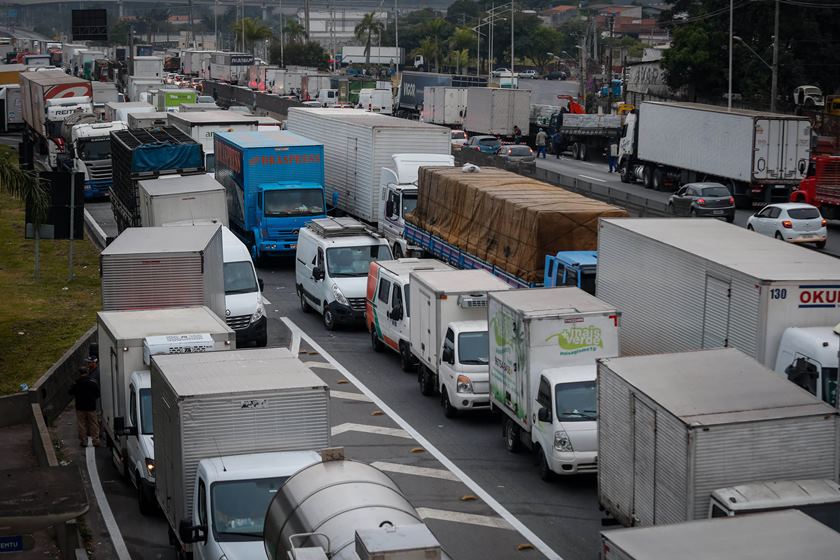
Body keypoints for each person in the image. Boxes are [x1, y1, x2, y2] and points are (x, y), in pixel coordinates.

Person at [69, 366, 100, 447]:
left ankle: (83, 440)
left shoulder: (76, 383)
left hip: (80, 407)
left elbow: (70, 392)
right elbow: (97, 394)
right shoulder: (92, 382)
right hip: (91, 407)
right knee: (93, 424)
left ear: (80, 373)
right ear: (87, 372)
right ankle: (95, 440)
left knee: (81, 424)